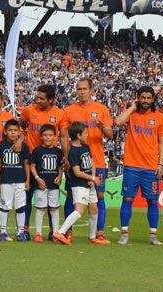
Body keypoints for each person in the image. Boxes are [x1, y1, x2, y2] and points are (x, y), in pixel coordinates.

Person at [113, 86, 163, 245]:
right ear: (138, 98)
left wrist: (160, 163)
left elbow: (162, 141)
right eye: (142, 97)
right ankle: (124, 233)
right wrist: (131, 108)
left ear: (153, 99)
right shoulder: (132, 114)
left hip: (151, 167)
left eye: (149, 98)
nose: (145, 101)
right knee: (128, 198)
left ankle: (153, 235)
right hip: (132, 165)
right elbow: (117, 122)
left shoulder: (159, 117)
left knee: (152, 201)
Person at [62, 78, 113, 243]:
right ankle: (67, 232)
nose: (82, 91)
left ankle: (99, 232)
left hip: (96, 161)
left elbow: (111, 135)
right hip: (75, 162)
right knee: (71, 196)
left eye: (85, 88)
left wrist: (101, 127)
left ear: (92, 90)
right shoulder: (69, 111)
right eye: (79, 89)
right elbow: (63, 136)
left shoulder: (101, 109)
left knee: (98, 196)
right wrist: (66, 156)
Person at [20, 84, 67, 237]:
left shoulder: (60, 114)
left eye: (41, 98)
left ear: (51, 100)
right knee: (27, 197)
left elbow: (63, 136)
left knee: (51, 200)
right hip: (31, 161)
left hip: (51, 163)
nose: (37, 100)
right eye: (37, 97)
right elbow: (20, 126)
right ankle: (25, 230)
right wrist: (21, 140)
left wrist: (65, 155)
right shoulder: (29, 110)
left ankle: (52, 231)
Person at [53, 122, 107, 246]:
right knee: (79, 211)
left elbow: (92, 162)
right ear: (78, 135)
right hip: (79, 185)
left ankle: (92, 237)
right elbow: (77, 172)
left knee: (94, 209)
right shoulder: (73, 152)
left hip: (89, 183)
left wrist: (92, 178)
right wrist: (92, 178)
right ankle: (60, 232)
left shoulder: (86, 147)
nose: (87, 135)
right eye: (85, 133)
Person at [0, 119, 31, 242]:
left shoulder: (24, 147)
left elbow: (26, 164)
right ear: (5, 132)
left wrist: (28, 180)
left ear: (19, 132)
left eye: (15, 130)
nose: (13, 133)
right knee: (4, 206)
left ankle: (21, 232)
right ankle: (3, 232)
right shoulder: (1, 145)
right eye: (10, 130)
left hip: (20, 181)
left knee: (20, 207)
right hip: (5, 181)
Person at [30, 125, 64, 243]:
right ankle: (38, 233)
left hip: (54, 186)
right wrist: (37, 178)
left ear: (55, 137)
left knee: (54, 209)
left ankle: (55, 233)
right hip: (40, 185)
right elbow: (32, 166)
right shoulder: (37, 150)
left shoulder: (58, 151)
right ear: (41, 136)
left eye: (50, 135)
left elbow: (60, 167)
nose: (48, 138)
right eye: (45, 135)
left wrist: (60, 176)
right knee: (41, 209)